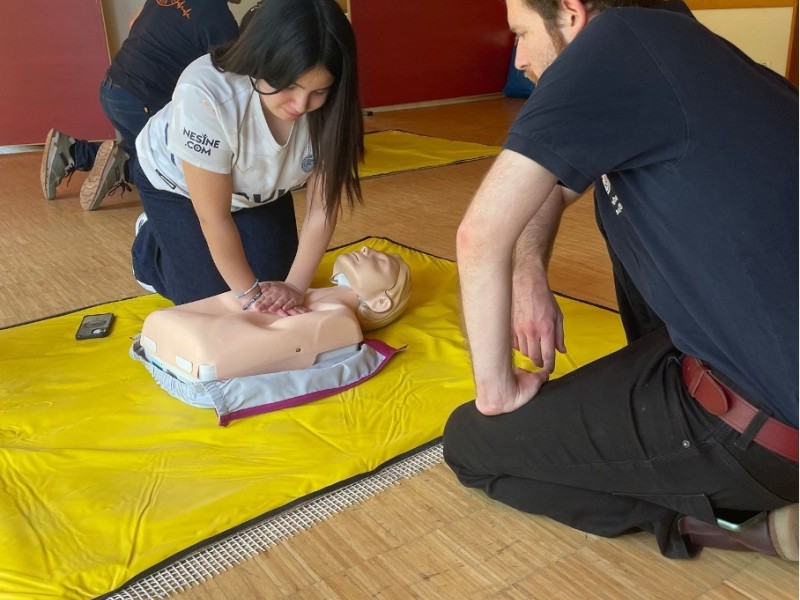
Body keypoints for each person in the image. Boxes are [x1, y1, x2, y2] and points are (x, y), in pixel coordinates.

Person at [443, 0, 798, 562]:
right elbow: (547, 189)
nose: (519, 57)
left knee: (471, 442)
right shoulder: (673, 43)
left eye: (521, 33)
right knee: (619, 194)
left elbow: (479, 236)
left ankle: (724, 523)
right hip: (743, 359)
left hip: (763, 429)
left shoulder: (613, 43)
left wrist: (498, 390)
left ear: (571, 14)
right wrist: (530, 268)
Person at [131, 0, 364, 318]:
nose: (300, 104)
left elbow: (321, 210)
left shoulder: (335, 107)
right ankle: (151, 245)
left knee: (277, 284)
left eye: (318, 92)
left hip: (259, 187)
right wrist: (249, 295)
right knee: (213, 303)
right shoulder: (207, 93)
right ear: (260, 61)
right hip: (178, 186)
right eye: (289, 86)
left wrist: (295, 287)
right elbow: (214, 218)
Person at [40, 0, 241, 211]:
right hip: (141, 99)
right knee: (180, 166)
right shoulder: (220, 21)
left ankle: (71, 151)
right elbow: (231, 81)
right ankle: (123, 165)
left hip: (113, 87)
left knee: (143, 148)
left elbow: (132, 23)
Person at [138, 246, 410, 382]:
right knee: (233, 297)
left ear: (381, 303)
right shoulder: (311, 296)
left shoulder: (339, 320)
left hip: (206, 351)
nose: (365, 249)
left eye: (380, 261)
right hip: (196, 338)